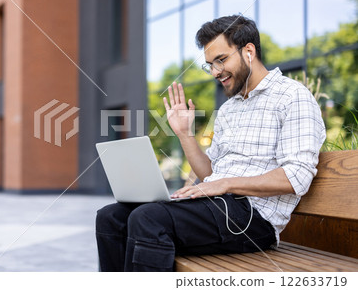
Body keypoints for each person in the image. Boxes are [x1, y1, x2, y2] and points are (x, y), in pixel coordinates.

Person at [95, 15, 326, 272]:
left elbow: (298, 177)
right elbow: (209, 175)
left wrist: (226, 184)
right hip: (218, 208)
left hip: (254, 219)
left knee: (148, 219)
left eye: (221, 60)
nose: (215, 72)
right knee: (111, 217)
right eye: (210, 65)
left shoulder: (292, 96)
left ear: (248, 51)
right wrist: (184, 133)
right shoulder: (229, 109)